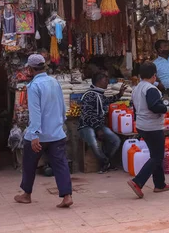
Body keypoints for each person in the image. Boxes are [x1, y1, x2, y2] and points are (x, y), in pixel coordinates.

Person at [14, 54, 73, 208]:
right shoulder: (54, 82)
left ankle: (27, 194)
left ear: (30, 69)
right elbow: (62, 106)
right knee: (60, 164)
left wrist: (34, 135)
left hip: (39, 135)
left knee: (29, 164)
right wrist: (60, 123)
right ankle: (67, 196)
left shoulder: (34, 86)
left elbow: (35, 113)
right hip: (56, 132)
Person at [127, 62, 169, 199]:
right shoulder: (151, 89)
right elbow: (154, 107)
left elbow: (136, 108)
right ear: (154, 76)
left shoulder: (137, 88)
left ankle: (160, 184)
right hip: (152, 126)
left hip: (142, 125)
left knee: (156, 154)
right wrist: (168, 109)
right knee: (157, 156)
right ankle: (138, 181)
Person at [79, 71, 126, 173]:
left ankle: (106, 161)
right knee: (94, 142)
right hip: (86, 126)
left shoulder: (99, 94)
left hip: (98, 125)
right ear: (99, 81)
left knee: (116, 140)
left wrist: (120, 95)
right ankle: (105, 162)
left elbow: (107, 100)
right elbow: (87, 115)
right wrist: (98, 128)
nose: (107, 83)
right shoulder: (89, 95)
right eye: (105, 80)